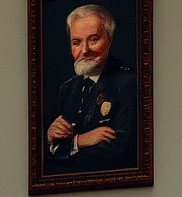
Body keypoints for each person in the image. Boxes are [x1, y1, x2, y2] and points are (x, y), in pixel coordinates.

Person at [46, 5, 137, 173]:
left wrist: (62, 151)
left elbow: (118, 148)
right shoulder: (67, 89)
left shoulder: (128, 82)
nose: (85, 50)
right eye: (76, 42)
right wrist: (78, 141)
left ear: (109, 41)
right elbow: (51, 147)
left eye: (93, 39)